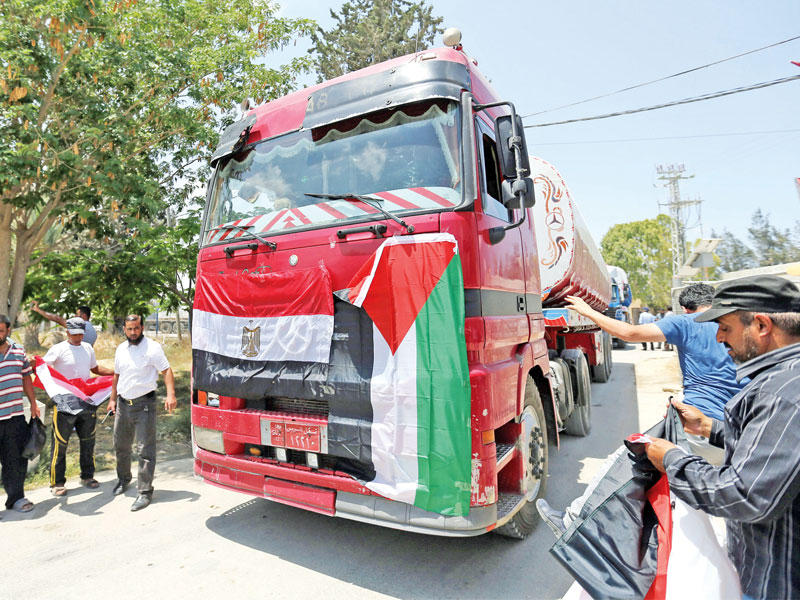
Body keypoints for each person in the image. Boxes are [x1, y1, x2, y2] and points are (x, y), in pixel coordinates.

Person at [645, 275, 800, 599]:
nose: (718, 338)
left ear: (760, 325)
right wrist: (710, 428)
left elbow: (744, 496)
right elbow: (776, 449)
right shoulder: (782, 380)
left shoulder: (783, 392)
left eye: (725, 327)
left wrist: (672, 460)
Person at [567, 284, 742, 423]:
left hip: (702, 423)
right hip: (746, 425)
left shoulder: (684, 322)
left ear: (685, 308)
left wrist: (588, 311)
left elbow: (629, 333)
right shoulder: (742, 323)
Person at [108, 314, 176, 511]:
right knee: (120, 445)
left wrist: (171, 395)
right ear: (124, 329)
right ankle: (123, 479)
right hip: (122, 404)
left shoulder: (153, 348)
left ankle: (145, 492)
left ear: (142, 327)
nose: (133, 332)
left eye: (136, 328)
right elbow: (116, 375)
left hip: (144, 405)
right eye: (129, 329)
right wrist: (112, 399)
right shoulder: (121, 349)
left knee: (145, 449)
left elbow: (167, 370)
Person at [43, 317, 113, 496]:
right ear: (67, 333)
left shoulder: (87, 348)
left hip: (85, 401)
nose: (78, 337)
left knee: (88, 440)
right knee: (60, 443)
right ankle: (57, 482)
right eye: (74, 334)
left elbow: (95, 369)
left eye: (81, 334)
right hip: (64, 403)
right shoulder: (57, 350)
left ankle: (87, 476)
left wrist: (116, 371)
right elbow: (44, 369)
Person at [0, 313, 40, 513]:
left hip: (15, 416)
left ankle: (16, 498)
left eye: (0, 330)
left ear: (8, 331)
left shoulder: (18, 352)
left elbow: (26, 378)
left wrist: (33, 403)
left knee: (15, 460)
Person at [31, 301, 98, 346]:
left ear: (83, 316)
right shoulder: (93, 330)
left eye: (77, 314)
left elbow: (57, 319)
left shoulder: (81, 325)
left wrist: (38, 310)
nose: (75, 316)